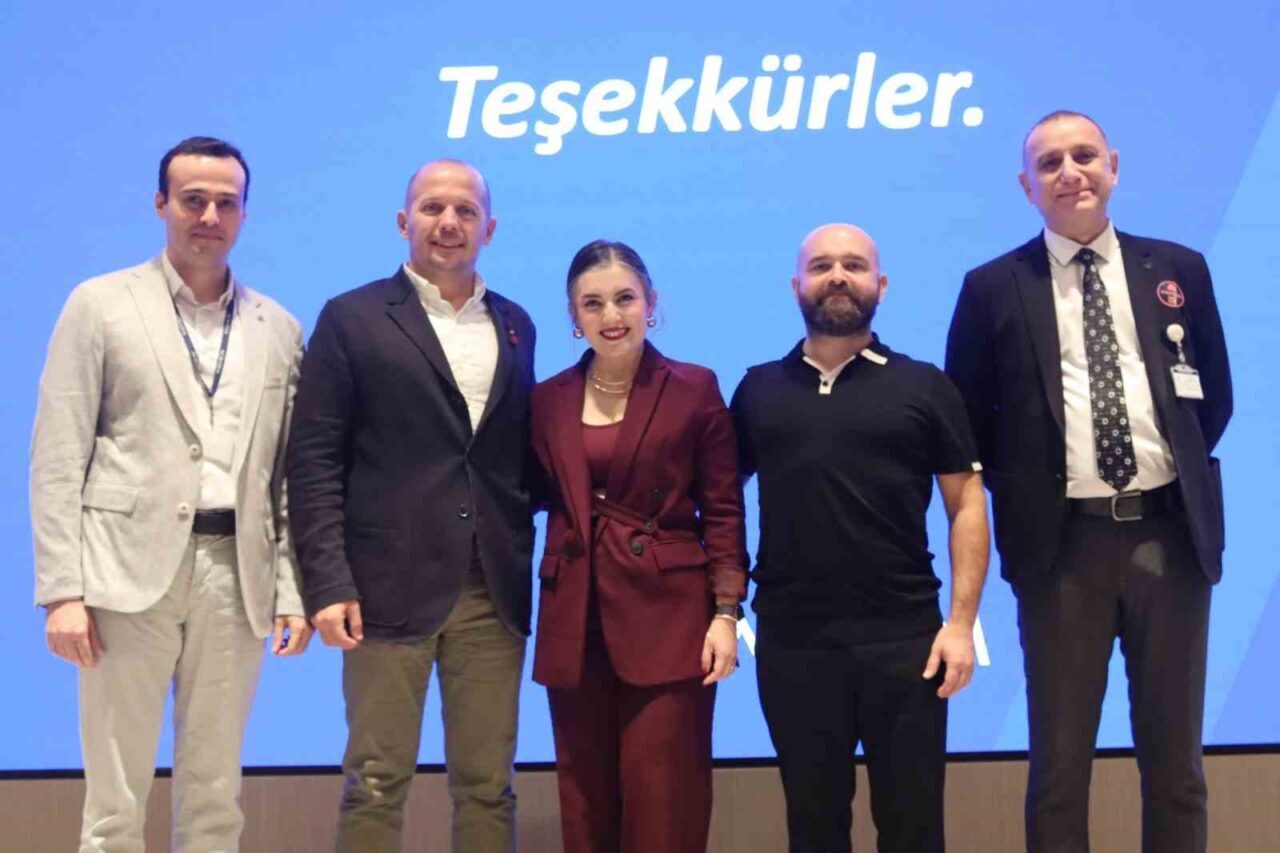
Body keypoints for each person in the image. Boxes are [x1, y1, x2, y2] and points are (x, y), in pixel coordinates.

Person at [945, 111, 1232, 853]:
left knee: (1177, 766)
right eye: (1049, 163)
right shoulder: (991, 287)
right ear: (1026, 186)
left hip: (1171, 539)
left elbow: (1213, 401)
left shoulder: (1179, 269)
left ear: (1113, 166)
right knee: (1059, 769)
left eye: (1083, 156)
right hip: (1060, 550)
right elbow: (968, 423)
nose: (1069, 172)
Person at [31, 136, 311, 851]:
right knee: (114, 801)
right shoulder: (100, 304)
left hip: (236, 573)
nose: (209, 215)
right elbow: (58, 453)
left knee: (216, 794)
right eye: (193, 199)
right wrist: (62, 591)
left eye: (225, 202)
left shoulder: (278, 328)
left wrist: (291, 589)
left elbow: (287, 475)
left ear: (244, 213)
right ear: (161, 204)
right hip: (123, 572)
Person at [286, 158, 536, 852]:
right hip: (382, 591)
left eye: (465, 211)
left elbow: (513, 456)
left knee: (488, 786)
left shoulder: (516, 323)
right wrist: (327, 582)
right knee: (374, 781)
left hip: (492, 592)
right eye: (432, 208)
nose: (448, 222)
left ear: (489, 228)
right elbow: (314, 460)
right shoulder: (351, 317)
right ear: (404, 222)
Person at [731, 224, 989, 853]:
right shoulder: (758, 388)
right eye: (821, 266)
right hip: (793, 642)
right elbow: (719, 504)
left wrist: (960, 625)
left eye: (854, 265)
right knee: (814, 826)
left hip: (906, 641)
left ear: (882, 284)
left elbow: (965, 504)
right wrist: (722, 607)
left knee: (912, 826)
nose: (838, 276)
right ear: (797, 285)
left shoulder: (925, 386)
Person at [529, 239, 747, 853]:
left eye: (624, 298)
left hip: (670, 619)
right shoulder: (546, 400)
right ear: (574, 316)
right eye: (592, 303)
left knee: (665, 801)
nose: (611, 315)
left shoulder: (694, 387)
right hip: (575, 621)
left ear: (651, 303)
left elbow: (723, 509)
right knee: (585, 804)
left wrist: (726, 613)